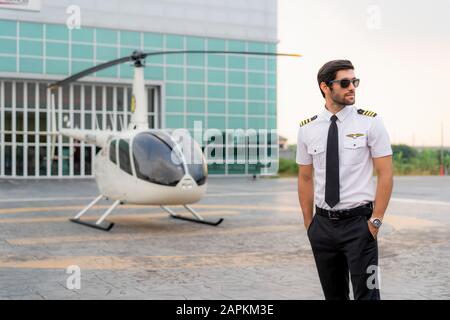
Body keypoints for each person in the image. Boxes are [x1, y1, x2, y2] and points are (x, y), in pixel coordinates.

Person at [296, 60, 393, 300]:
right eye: (345, 82)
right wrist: (310, 224)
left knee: (369, 295)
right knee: (334, 296)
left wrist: (375, 222)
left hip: (360, 226)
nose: (352, 87)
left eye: (355, 81)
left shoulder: (370, 121)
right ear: (325, 87)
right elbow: (305, 178)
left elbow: (386, 174)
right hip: (322, 227)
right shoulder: (307, 128)